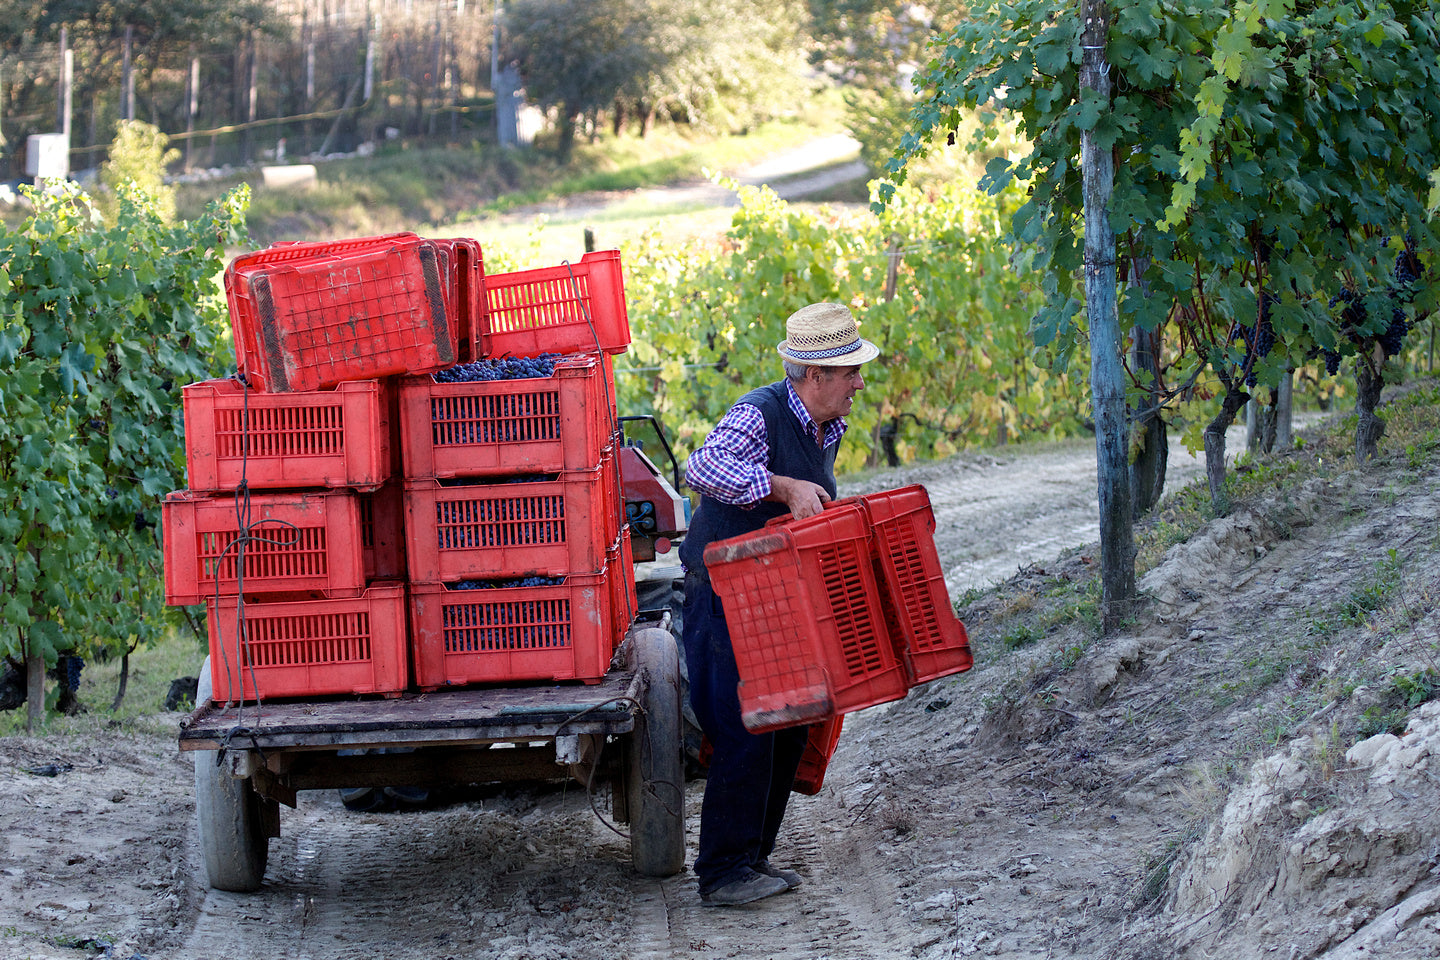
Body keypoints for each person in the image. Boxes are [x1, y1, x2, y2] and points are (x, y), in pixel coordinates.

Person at [678, 301, 880, 906]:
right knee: (747, 720)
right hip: (722, 590)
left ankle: (751, 858)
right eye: (848, 372)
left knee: (790, 718)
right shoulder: (759, 413)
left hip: (771, 590)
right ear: (813, 376)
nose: (859, 383)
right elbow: (703, 466)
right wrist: (779, 485)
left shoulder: (828, 426)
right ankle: (719, 871)